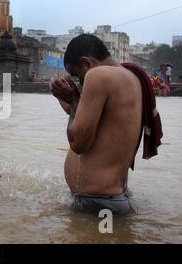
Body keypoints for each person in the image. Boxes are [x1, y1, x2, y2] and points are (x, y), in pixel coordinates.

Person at [50, 34, 162, 215]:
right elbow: (104, 127)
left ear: (86, 63)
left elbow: (79, 143)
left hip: (97, 203)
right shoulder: (131, 78)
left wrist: (72, 100)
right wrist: (73, 103)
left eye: (77, 75)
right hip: (112, 199)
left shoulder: (98, 75)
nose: (79, 82)